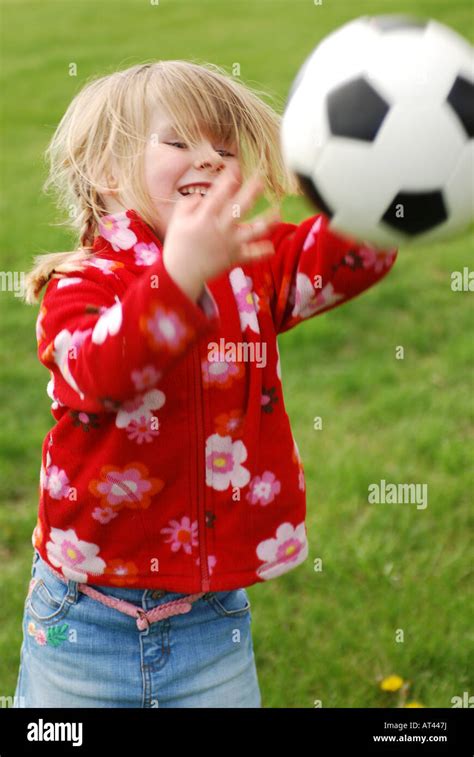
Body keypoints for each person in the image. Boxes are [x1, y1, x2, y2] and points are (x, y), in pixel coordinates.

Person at [14, 61, 397, 708]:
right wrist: (179, 274)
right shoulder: (81, 283)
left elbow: (336, 261)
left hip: (209, 620)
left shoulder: (243, 268)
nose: (210, 160)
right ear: (108, 169)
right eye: (179, 142)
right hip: (84, 619)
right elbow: (102, 375)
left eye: (224, 149)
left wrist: (369, 189)